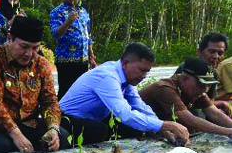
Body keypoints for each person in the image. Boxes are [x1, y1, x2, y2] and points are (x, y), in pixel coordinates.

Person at [0, 16, 68, 153]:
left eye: (35, 48)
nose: (29, 54)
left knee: (61, 137)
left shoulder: (41, 64)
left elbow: (49, 101)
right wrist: (15, 134)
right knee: (1, 146)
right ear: (9, 38)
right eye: (24, 46)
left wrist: (53, 128)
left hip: (26, 123)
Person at [60, 42, 189, 145]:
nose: (143, 76)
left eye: (147, 72)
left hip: (91, 117)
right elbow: (125, 115)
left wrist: (163, 129)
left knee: (135, 128)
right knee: (99, 130)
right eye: (141, 70)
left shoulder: (127, 77)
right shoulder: (108, 77)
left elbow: (139, 106)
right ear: (125, 62)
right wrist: (166, 125)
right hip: (66, 118)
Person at [140, 57, 232, 137]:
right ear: (184, 79)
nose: (205, 90)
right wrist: (227, 132)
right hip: (136, 131)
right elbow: (190, 120)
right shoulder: (165, 88)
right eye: (201, 85)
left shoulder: (196, 91)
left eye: (208, 86)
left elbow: (215, 114)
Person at [50, 0, 96, 99]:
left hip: (83, 60)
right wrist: (68, 22)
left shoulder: (83, 11)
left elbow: (87, 35)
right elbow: (56, 34)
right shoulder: (57, 12)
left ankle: (78, 117)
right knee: (66, 93)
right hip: (66, 61)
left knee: (81, 93)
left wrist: (91, 56)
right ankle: (62, 117)